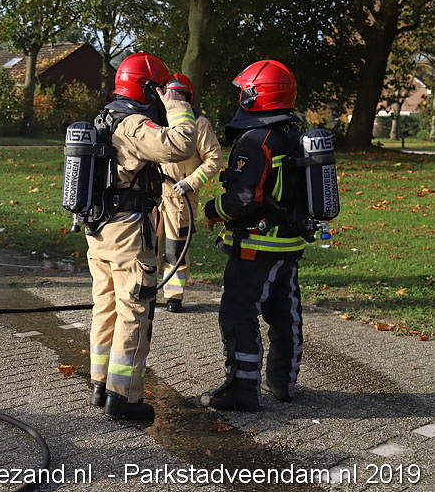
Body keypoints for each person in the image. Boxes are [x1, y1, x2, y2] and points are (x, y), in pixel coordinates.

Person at [87, 53, 197, 421]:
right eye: (160, 88)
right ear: (149, 88)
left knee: (105, 307)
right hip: (128, 234)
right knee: (134, 310)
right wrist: (178, 106)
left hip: (100, 229)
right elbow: (180, 145)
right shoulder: (133, 124)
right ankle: (125, 398)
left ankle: (100, 384)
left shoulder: (105, 117)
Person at [200, 59, 305, 411]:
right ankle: (284, 383)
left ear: (254, 95)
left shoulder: (255, 139)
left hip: (254, 246)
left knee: (238, 312)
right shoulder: (293, 134)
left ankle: (242, 389)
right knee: (284, 313)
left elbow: (244, 198)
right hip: (288, 243)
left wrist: (213, 210)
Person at [158, 74, 223, 313]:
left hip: (179, 198)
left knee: (175, 250)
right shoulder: (158, 119)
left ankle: (173, 296)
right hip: (155, 194)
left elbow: (214, 158)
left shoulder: (199, 123)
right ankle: (145, 289)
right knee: (147, 245)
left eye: (178, 96)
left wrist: (191, 182)